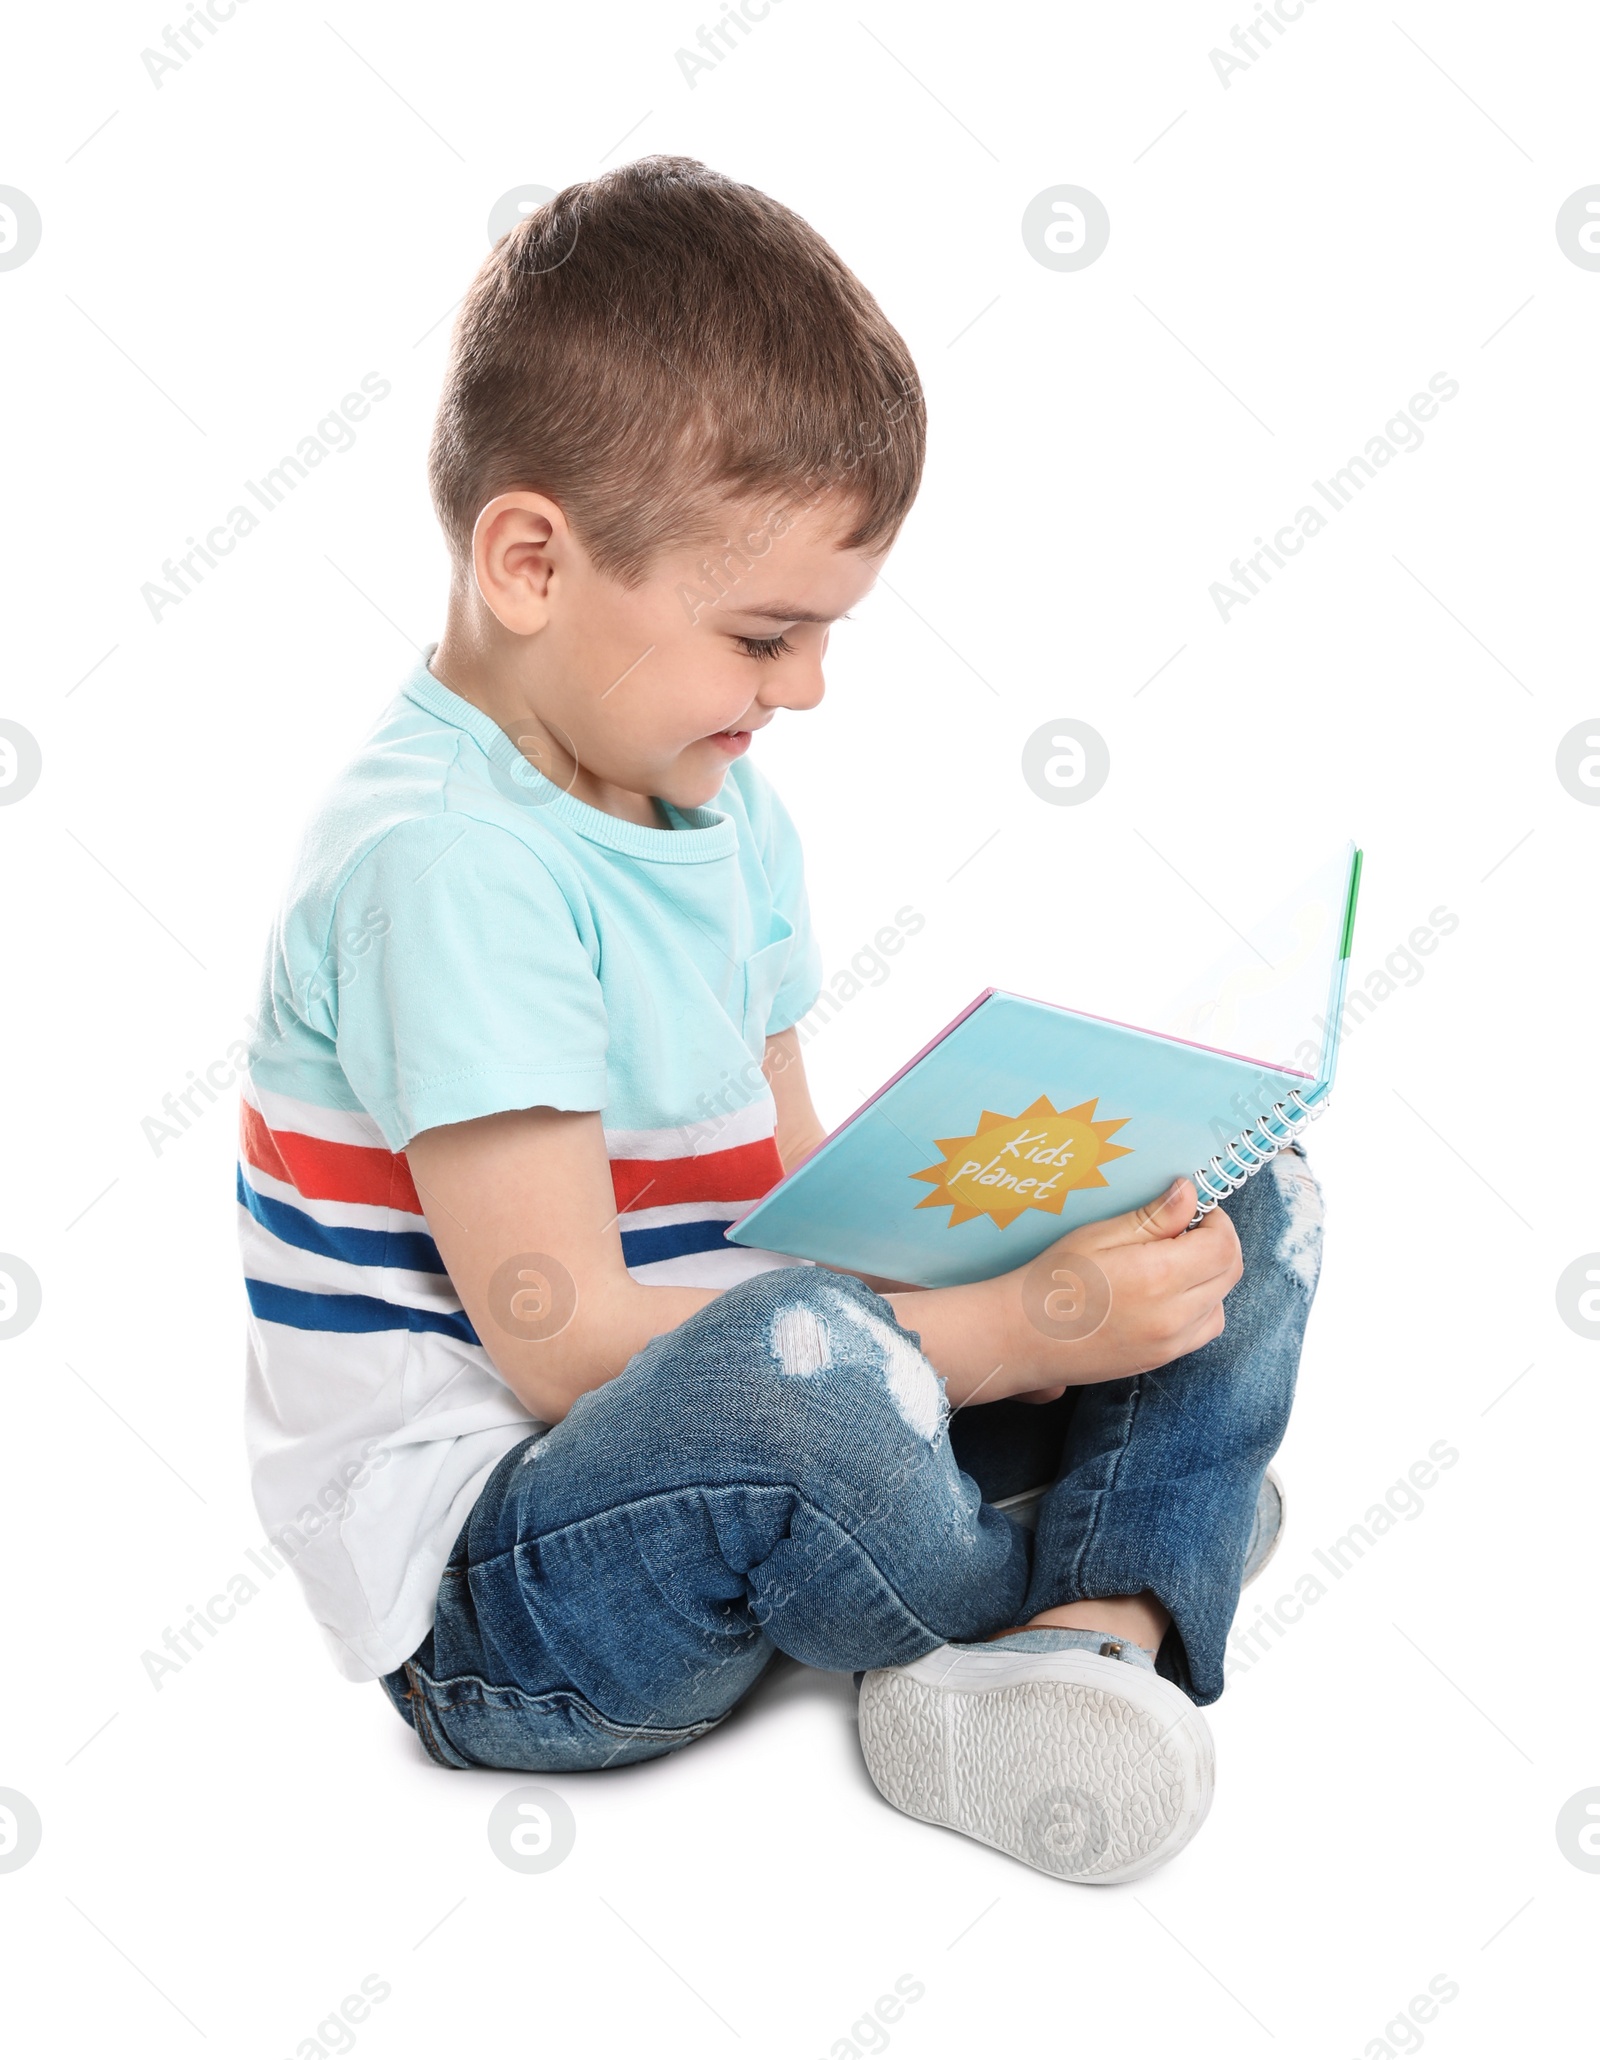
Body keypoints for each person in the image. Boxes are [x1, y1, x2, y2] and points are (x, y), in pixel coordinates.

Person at [237, 155, 1325, 1884]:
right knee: (798, 1374)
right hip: (519, 1598)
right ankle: (1082, 1554)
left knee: (1243, 1190)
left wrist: (1025, 1211)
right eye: (765, 633)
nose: (806, 686)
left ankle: (1091, 1624)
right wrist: (1018, 1333)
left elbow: (793, 1201)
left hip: (774, 1415)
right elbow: (566, 1343)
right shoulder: (442, 869)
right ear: (530, 559)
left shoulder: (711, 799)